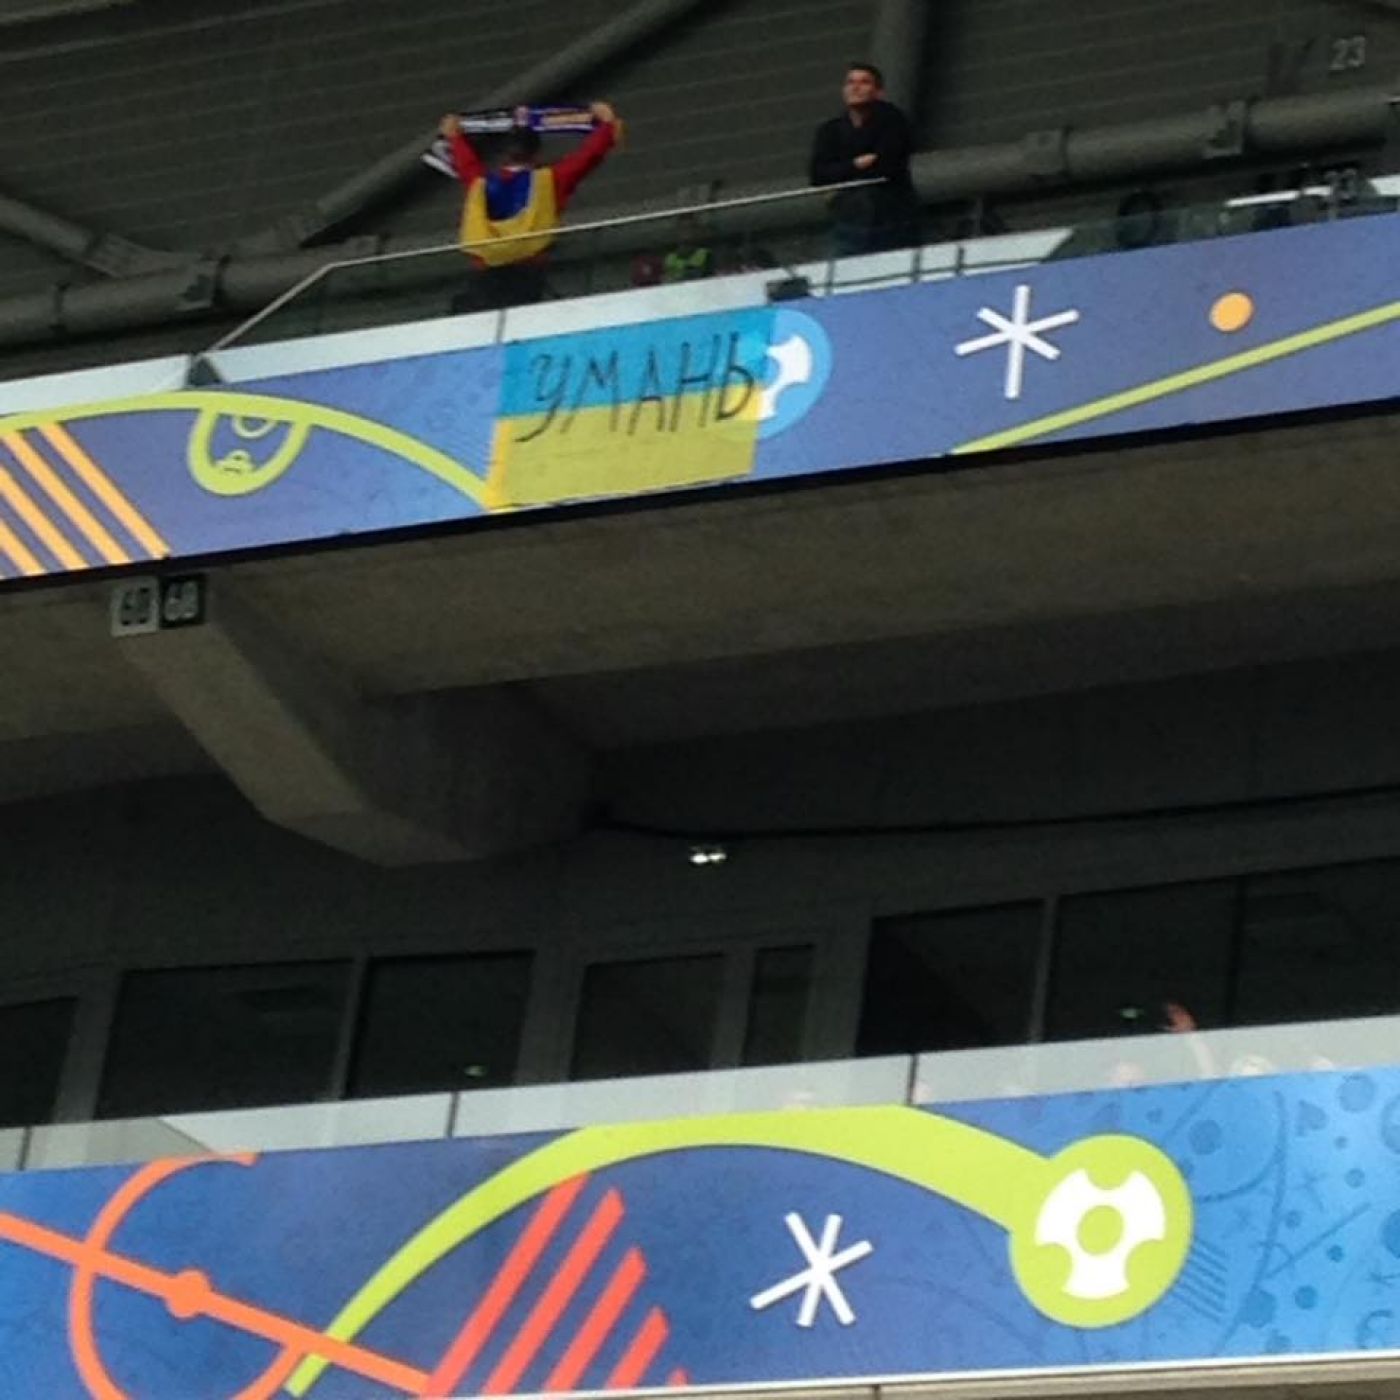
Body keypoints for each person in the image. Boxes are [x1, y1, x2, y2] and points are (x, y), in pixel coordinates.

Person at [440, 101, 619, 311]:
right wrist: (607, 126)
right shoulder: (549, 181)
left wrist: (454, 136)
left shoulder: (479, 183)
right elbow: (587, 157)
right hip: (529, 272)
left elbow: (466, 163)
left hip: (486, 272)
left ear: (504, 154)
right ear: (536, 153)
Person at [809, 62, 919, 256]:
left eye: (864, 82)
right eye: (850, 82)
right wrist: (856, 164)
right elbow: (817, 175)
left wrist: (841, 172)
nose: (855, 87)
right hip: (848, 215)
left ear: (878, 92)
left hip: (892, 213)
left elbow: (888, 166)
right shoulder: (830, 130)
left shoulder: (893, 120)